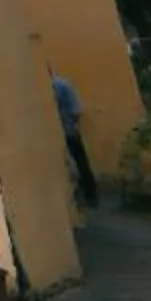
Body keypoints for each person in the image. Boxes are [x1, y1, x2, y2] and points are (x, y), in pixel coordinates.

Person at [53, 73, 99, 208]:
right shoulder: (63, 84)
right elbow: (76, 111)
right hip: (70, 129)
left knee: (75, 162)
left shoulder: (56, 86)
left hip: (65, 130)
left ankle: (85, 194)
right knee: (81, 162)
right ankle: (90, 195)